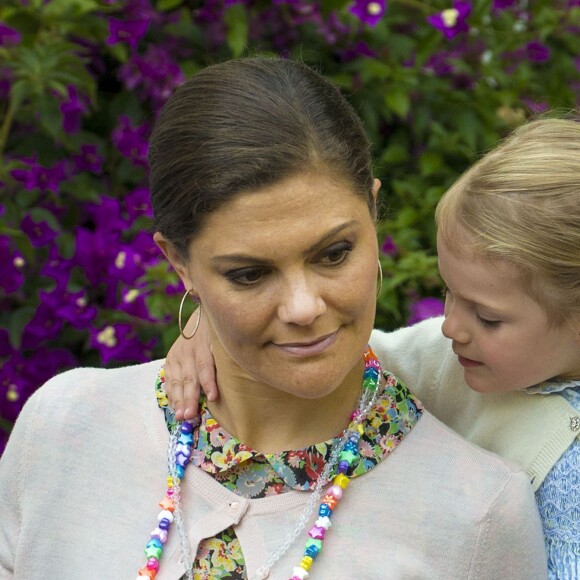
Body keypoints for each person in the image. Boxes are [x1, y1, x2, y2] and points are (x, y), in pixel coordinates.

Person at [0, 57, 547, 579]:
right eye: (249, 274)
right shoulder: (65, 428)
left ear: (374, 212)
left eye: (334, 254)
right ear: (178, 263)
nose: (304, 307)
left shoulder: (477, 513)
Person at [165, 117, 580, 578]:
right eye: (448, 291)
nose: (450, 327)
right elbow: (323, 355)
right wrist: (210, 321)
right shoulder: (449, 360)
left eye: (487, 317)